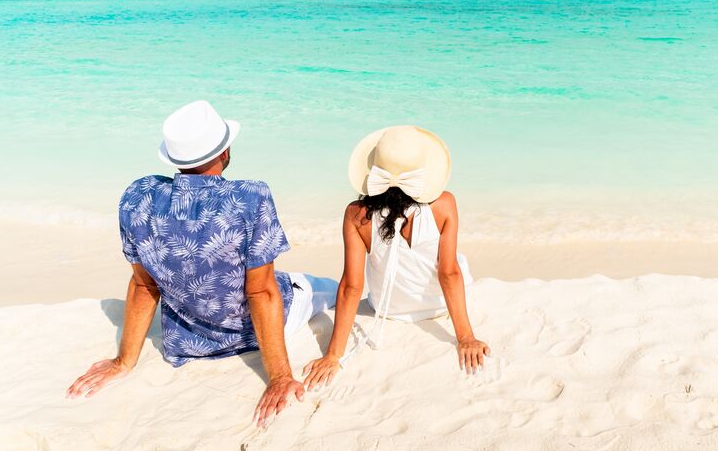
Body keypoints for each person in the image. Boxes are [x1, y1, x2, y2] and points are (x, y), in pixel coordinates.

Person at [66, 100, 337, 426]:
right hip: (249, 333)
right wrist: (280, 377)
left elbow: (143, 284)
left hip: (185, 342)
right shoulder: (250, 197)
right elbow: (261, 293)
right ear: (224, 152)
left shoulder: (138, 196)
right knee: (329, 288)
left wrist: (124, 361)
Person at [301, 125, 489, 389]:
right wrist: (466, 337)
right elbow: (449, 273)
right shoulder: (444, 204)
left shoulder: (356, 214)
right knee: (457, 261)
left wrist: (333, 355)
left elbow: (351, 287)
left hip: (388, 308)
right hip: (438, 306)